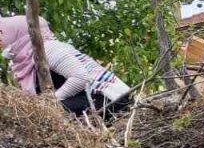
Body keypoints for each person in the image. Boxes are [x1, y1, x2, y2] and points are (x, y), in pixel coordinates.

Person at [0, 15, 132, 120]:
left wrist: (51, 101)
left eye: (1, 32)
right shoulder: (25, 61)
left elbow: (81, 78)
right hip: (88, 99)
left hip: (109, 97)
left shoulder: (48, 49)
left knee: (41, 115)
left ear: (16, 32)